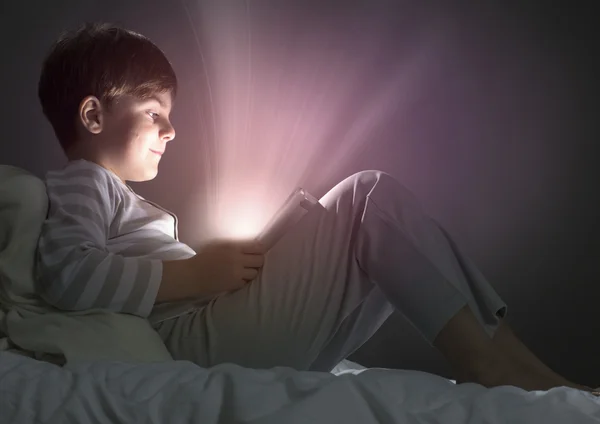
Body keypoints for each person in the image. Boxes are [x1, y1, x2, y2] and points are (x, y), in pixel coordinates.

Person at [35, 22, 590, 392]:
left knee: (386, 244)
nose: (171, 129)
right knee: (367, 195)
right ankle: (493, 361)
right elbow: (68, 274)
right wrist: (195, 272)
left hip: (208, 331)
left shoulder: (116, 195)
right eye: (154, 111)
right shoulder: (85, 182)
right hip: (193, 348)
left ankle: (520, 367)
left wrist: (214, 270)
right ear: (92, 116)